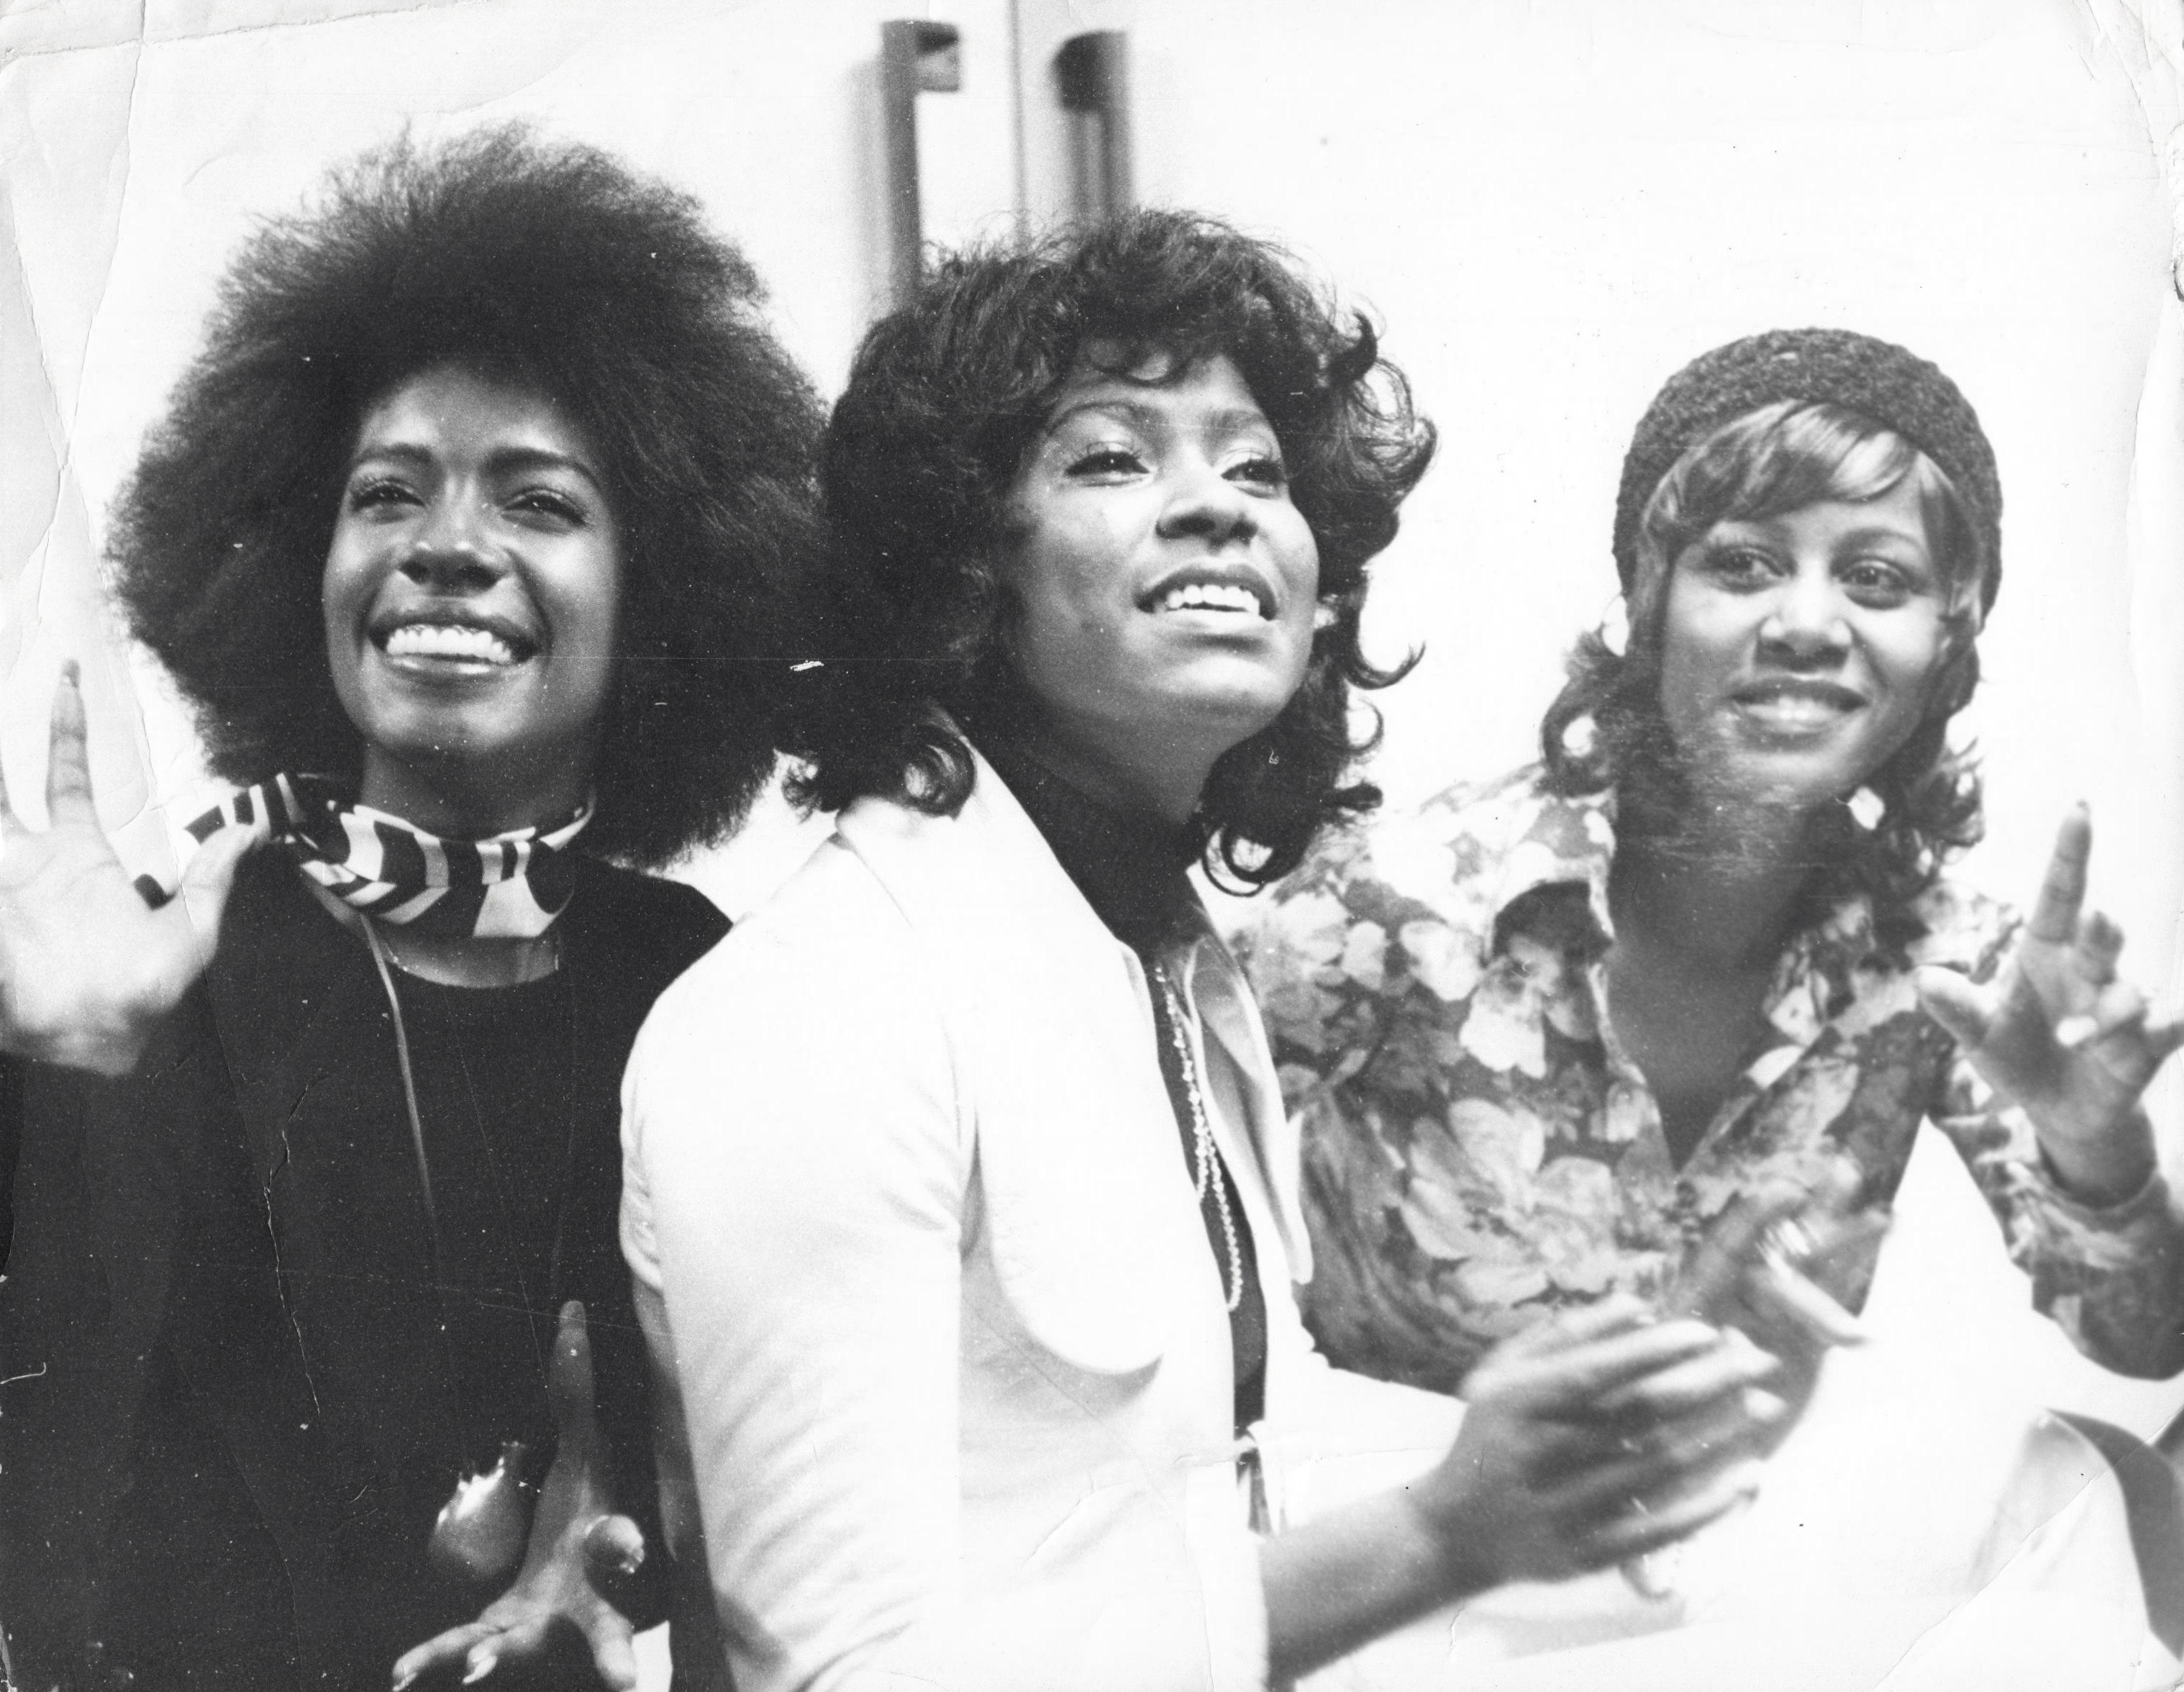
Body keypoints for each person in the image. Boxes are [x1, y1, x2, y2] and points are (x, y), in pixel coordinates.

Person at [619, 212, 1798, 1692]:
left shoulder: (1166, 963)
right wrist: (1442, 1532)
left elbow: (1194, 1514)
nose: (1220, 509)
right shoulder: (818, 1013)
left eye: (1258, 470)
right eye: (1111, 458)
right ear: (955, 570)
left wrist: (1592, 1427)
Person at [0, 126, 821, 1690]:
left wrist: (635, 1515)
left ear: (663, 589)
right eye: (390, 493)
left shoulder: (703, 983)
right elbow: (45, 1545)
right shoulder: (161, 960)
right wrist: (69, 1074)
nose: (448, 549)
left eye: (539, 503)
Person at [1246, 328, 2184, 1680]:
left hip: (1730, 1589)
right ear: (1649, 601)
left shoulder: (1945, 971)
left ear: (1945, 643)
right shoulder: (1391, 906)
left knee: (2079, 1495)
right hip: (1419, 1597)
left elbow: (2146, 1340)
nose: (1807, 623)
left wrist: (2101, 1148)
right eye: (1743, 563)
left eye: (1877, 577)